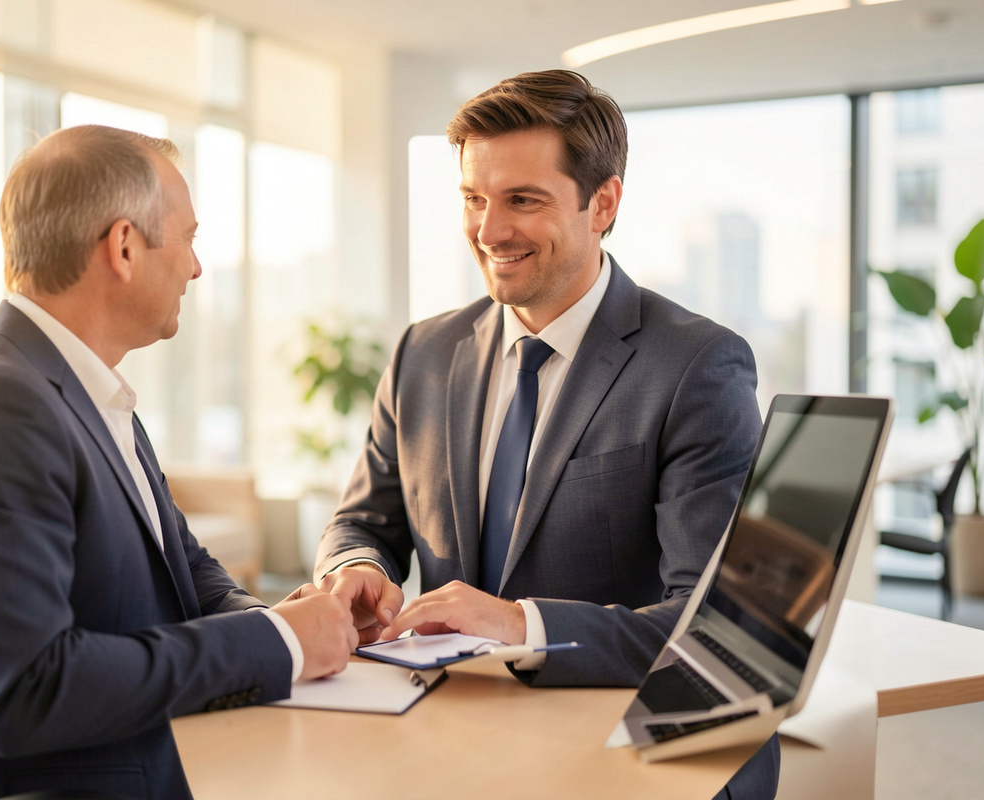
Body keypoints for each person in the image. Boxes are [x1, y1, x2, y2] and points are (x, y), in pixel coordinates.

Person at [314, 71, 778, 797]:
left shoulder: (697, 366)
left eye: (523, 200)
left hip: (626, 749)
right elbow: (363, 521)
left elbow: (713, 626)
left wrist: (516, 624)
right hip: (449, 740)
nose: (489, 230)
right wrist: (355, 568)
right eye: (474, 198)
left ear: (604, 203)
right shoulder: (422, 355)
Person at [0, 125, 357, 800]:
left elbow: (185, 572)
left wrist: (293, 624)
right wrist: (280, 642)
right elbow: (25, 692)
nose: (196, 268)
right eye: (188, 238)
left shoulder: (87, 394)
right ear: (125, 247)